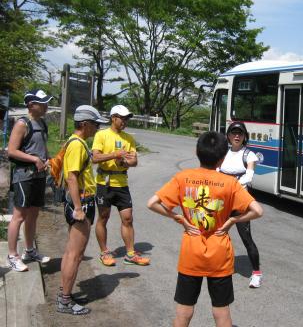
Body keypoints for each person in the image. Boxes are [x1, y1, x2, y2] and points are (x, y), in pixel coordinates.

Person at [147, 131, 263, 327]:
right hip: (220, 253)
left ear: (196, 151)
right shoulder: (230, 183)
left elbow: (152, 203)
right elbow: (257, 211)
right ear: (222, 157)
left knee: (184, 310)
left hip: (191, 252)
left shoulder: (183, 177)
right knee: (221, 311)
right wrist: (232, 221)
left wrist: (179, 218)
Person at [57, 105, 109, 315]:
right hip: (81, 203)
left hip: (81, 201)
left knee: (72, 252)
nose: (97, 128)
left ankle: (65, 293)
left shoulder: (75, 142)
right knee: (75, 254)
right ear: (85, 124)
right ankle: (65, 301)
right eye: (95, 124)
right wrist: (78, 208)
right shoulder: (78, 145)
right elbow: (71, 176)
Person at [92, 105, 149, 266]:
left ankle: (130, 254)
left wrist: (123, 161)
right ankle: (104, 252)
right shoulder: (101, 135)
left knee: (128, 218)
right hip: (104, 183)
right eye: (122, 118)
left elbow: (134, 161)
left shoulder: (129, 138)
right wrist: (115, 154)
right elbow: (95, 158)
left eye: (126, 118)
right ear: (113, 118)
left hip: (122, 183)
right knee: (103, 217)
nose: (125, 121)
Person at [6, 89, 52, 272]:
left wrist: (47, 159)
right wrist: (34, 159)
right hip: (24, 175)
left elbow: (42, 147)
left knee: (33, 214)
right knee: (19, 216)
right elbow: (12, 151)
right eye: (43, 103)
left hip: (39, 175)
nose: (46, 106)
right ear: (31, 105)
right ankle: (12, 255)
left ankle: (30, 250)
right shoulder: (22, 124)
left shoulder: (42, 123)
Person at [219, 122, 262, 288]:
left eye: (240, 133)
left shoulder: (249, 155)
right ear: (228, 136)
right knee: (218, 234)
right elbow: (216, 171)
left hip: (239, 201)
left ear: (245, 137)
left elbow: (249, 175)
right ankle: (220, 264)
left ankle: (256, 273)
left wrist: (230, 185)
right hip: (222, 201)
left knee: (246, 238)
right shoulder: (223, 152)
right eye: (234, 133)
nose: (237, 136)